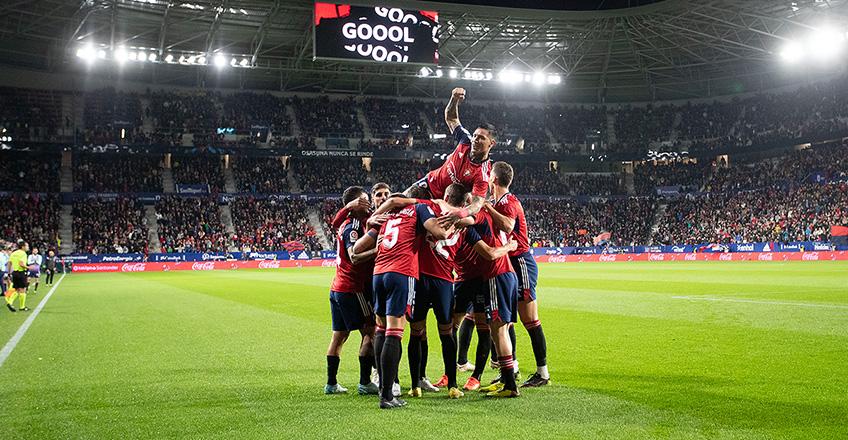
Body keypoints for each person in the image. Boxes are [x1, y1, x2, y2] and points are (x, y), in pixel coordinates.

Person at [353, 195, 454, 409]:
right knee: (395, 332)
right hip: (401, 273)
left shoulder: (386, 216)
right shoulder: (420, 209)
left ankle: (383, 389)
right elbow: (440, 233)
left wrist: (374, 222)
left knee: (381, 329)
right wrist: (453, 222)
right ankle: (388, 396)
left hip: (378, 274)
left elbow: (357, 248)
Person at [485, 162, 550, 387]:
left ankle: (543, 373)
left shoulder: (508, 201)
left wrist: (486, 207)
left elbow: (508, 226)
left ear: (494, 178)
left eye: (489, 173)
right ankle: (510, 370)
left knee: (530, 320)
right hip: (506, 266)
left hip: (520, 262)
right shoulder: (497, 202)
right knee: (506, 321)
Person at [405, 87, 496, 223]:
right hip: (429, 183)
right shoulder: (465, 140)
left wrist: (461, 213)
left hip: (445, 202)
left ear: (491, 143)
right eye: (475, 136)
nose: (475, 140)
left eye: (481, 138)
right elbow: (451, 118)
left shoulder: (482, 174)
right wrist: (454, 99)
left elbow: (477, 204)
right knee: (401, 200)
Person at [324, 186, 381, 396]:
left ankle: (331, 384)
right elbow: (354, 256)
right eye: (364, 200)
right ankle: (365, 382)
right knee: (370, 331)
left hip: (337, 287)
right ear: (356, 204)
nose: (368, 203)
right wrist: (379, 249)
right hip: (352, 288)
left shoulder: (352, 222)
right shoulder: (354, 226)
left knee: (339, 336)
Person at [6, 241, 30, 312]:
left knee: (16, 289)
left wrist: (9, 273)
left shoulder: (14, 253)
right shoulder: (23, 253)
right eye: (27, 246)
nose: (28, 247)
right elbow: (21, 264)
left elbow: (9, 263)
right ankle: (22, 307)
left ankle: (10, 302)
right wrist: (29, 267)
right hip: (21, 273)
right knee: (22, 289)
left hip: (14, 273)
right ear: (23, 247)